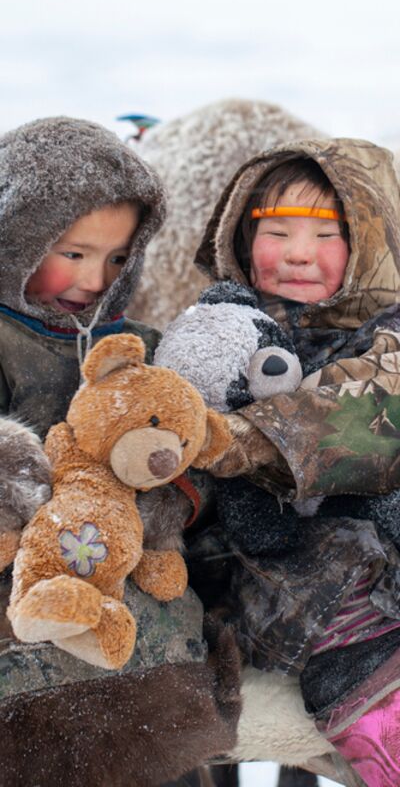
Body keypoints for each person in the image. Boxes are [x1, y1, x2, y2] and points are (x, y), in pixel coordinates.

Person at [0, 116, 240, 786]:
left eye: (116, 257)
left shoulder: (144, 344)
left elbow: (198, 446)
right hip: (27, 598)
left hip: (149, 616)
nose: (93, 277)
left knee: (167, 735)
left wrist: (179, 491)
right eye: (72, 253)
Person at [193, 138, 400, 786]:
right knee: (328, 587)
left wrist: (245, 440)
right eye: (275, 231)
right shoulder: (219, 328)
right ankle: (372, 708)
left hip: (375, 533)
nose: (298, 253)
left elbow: (371, 411)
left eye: (327, 235)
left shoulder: (388, 333)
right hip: (286, 572)